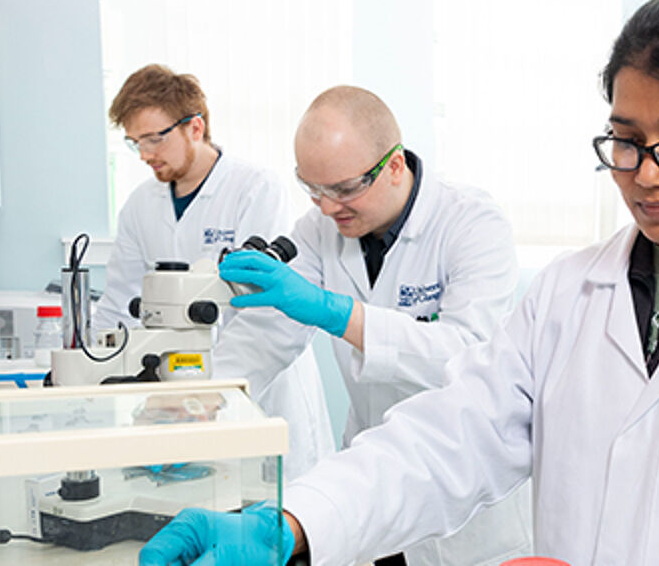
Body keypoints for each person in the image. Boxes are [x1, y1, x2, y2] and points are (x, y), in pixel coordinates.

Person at [141, 0, 659, 566]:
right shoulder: (571, 292)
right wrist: (295, 521)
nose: (647, 176)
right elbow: (450, 435)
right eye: (627, 143)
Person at [207, 86, 533, 565]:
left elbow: (466, 355)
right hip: (372, 488)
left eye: (343, 189)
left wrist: (340, 314)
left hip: (462, 499)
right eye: (312, 189)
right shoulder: (319, 229)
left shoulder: (472, 224)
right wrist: (198, 407)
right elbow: (265, 337)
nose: (326, 207)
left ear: (394, 165)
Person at [95, 66, 334, 481]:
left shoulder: (254, 188)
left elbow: (270, 312)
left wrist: (208, 390)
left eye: (154, 138)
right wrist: (90, 382)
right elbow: (119, 304)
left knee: (278, 521)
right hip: (178, 402)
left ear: (195, 127)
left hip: (262, 395)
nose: (146, 154)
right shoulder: (139, 206)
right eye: (136, 143)